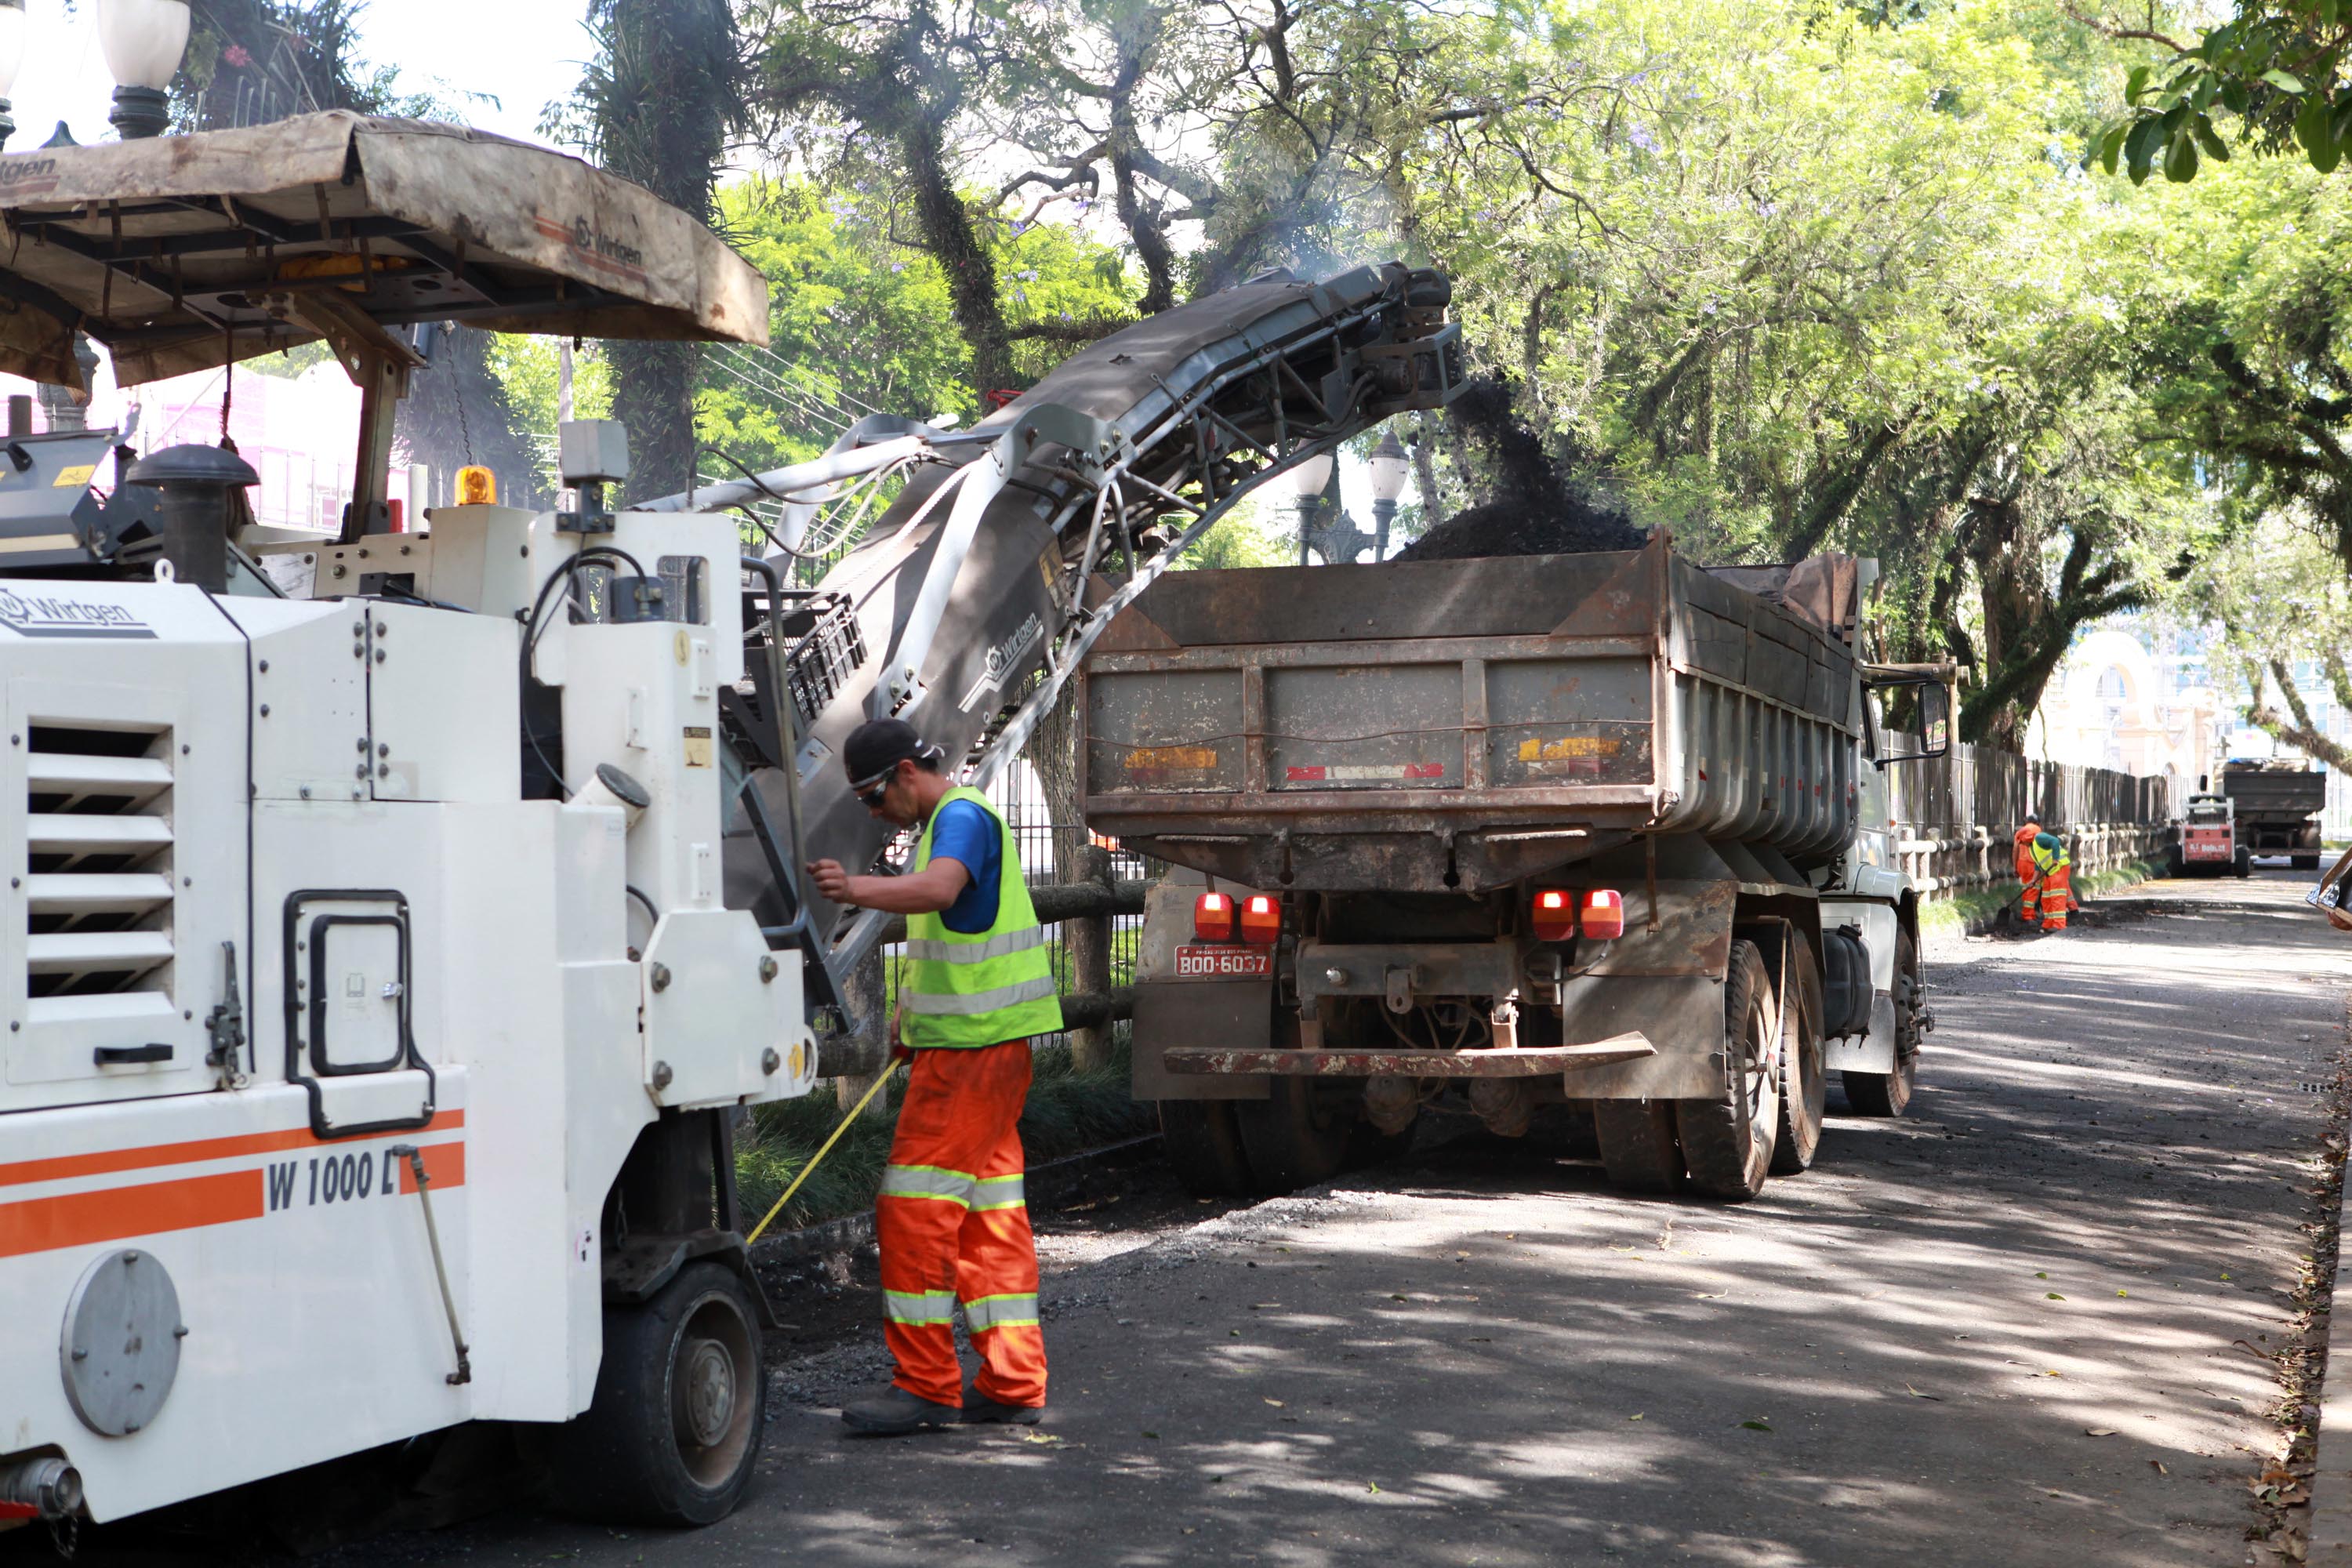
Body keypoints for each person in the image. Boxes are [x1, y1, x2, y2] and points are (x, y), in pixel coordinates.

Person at [807, 718, 1063, 1437]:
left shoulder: (958, 817)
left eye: (870, 794)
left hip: (970, 1058)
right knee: (989, 1220)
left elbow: (944, 893)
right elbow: (960, 942)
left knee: (913, 1211)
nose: (869, 810)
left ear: (904, 774)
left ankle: (925, 1386)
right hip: (978, 1049)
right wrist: (911, 1021)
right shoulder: (957, 820)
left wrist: (854, 886)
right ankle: (1013, 1382)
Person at [2031, 829, 2072, 932]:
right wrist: (2034, 880)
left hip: (2059, 869)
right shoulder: (2032, 847)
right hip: (2050, 873)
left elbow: (2055, 841)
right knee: (2046, 898)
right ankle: (2048, 923)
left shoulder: (2039, 838)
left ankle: (2059, 925)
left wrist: (2055, 859)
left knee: (2057, 897)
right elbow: (2038, 864)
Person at [2013, 817, 2045, 927]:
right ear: (2037, 822)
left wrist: (2015, 867)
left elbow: (2015, 850)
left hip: (2021, 863)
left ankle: (2029, 913)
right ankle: (2028, 915)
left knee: (2026, 887)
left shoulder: (2019, 832)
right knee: (2033, 889)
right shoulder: (2037, 830)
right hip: (2033, 863)